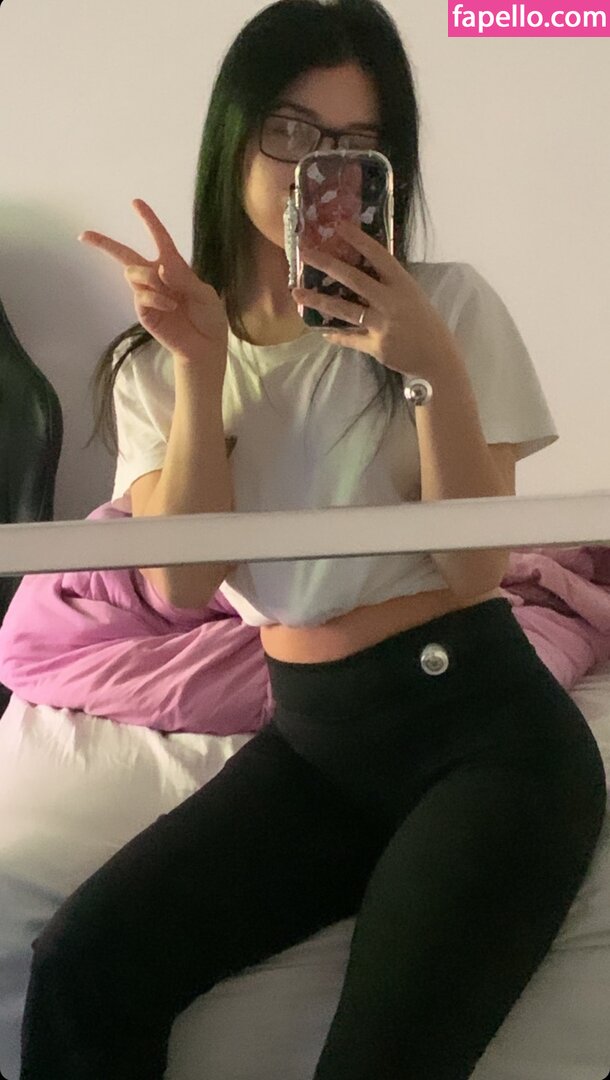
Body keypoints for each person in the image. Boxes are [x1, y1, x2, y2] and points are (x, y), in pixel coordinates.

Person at [19, 1, 607, 1077]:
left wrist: (426, 362)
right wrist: (201, 366)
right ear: (234, 138)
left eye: (353, 143)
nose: (315, 170)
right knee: (80, 970)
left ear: (386, 168)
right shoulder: (163, 357)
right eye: (290, 131)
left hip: (485, 733)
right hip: (314, 740)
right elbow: (185, 580)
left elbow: (477, 566)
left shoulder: (447, 306)